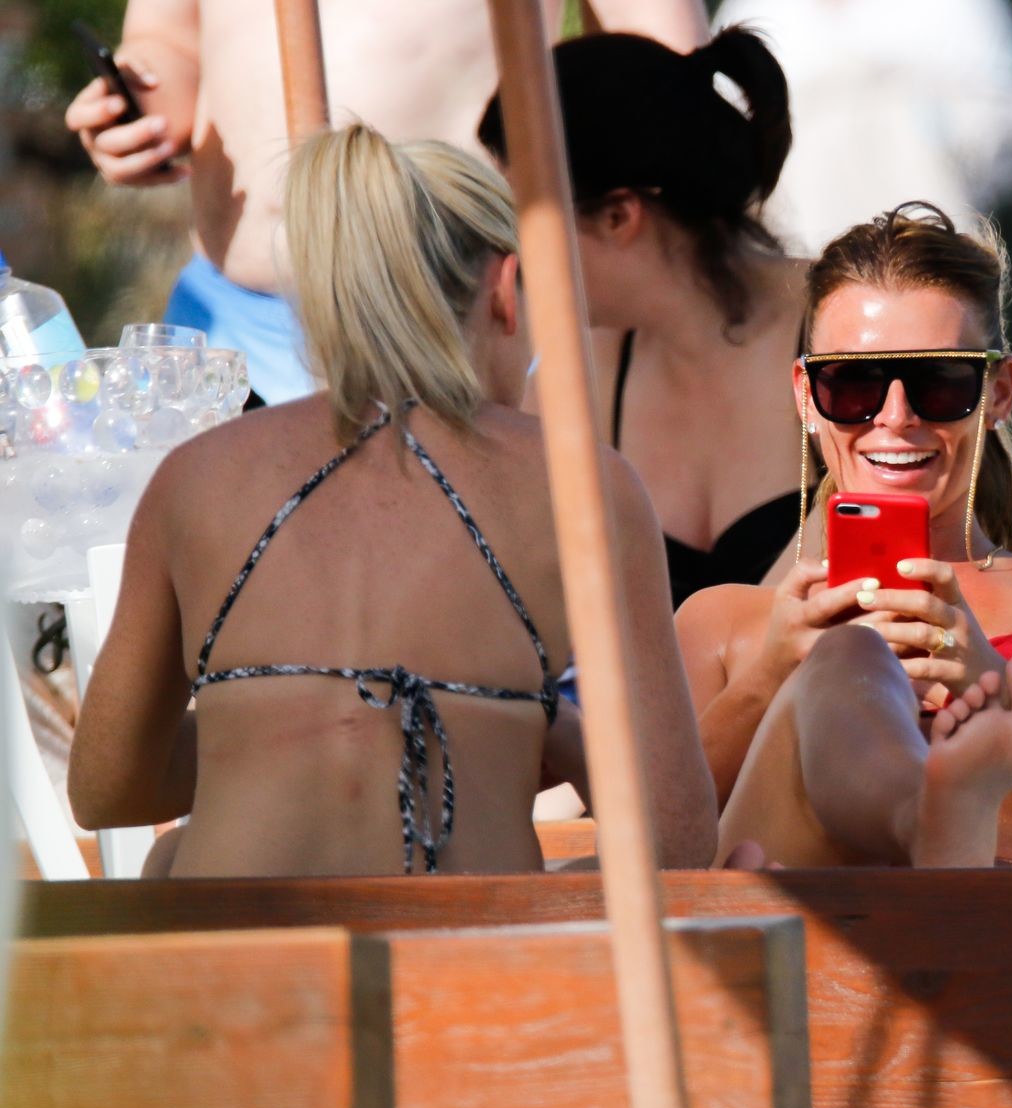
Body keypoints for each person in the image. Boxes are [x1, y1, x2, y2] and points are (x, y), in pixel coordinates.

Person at [67, 125, 715, 877]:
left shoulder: (197, 474)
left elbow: (106, 787)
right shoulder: (582, 484)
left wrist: (266, 719)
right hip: (469, 943)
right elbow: (675, 839)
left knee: (170, 859)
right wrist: (549, 731)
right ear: (505, 290)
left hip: (233, 941)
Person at [674, 204, 1012, 869]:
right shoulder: (722, 621)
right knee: (850, 656)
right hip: (810, 913)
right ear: (807, 396)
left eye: (939, 383)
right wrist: (772, 674)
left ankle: (941, 829)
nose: (895, 417)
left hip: (1010, 919)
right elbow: (648, 834)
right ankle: (929, 821)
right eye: (853, 385)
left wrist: (996, 682)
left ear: (999, 393)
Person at [63, 0, 706, 405]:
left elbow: (672, 72)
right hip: (231, 319)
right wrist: (142, 103)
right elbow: (170, 34)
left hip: (453, 318)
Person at [478, 29, 807, 608]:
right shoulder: (578, 380)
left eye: (520, 216)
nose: (511, 249)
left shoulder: (849, 326)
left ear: (618, 217)